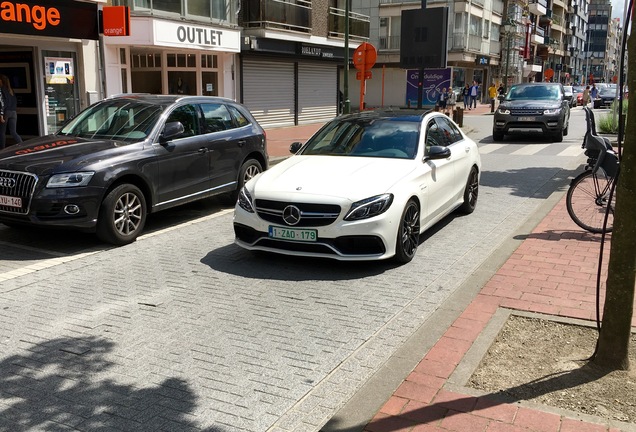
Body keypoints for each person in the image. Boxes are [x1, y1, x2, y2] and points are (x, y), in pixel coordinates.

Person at [0, 74, 22, 150]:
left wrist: (1, 114)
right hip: (13, 112)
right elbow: (14, 101)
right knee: (13, 132)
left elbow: (3, 103)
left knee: (2, 132)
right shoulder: (11, 90)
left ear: (1, 81)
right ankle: (22, 145)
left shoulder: (2, 90)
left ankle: (2, 149)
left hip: (6, 112)